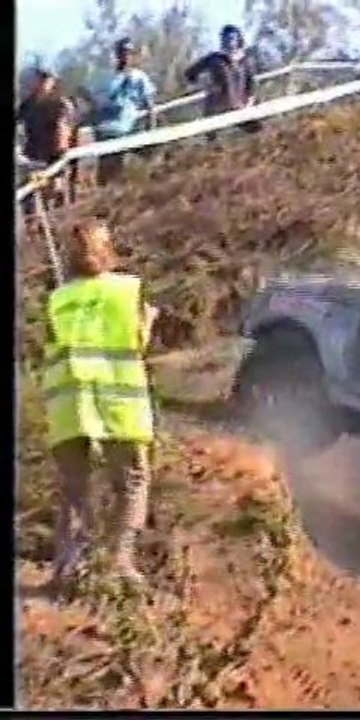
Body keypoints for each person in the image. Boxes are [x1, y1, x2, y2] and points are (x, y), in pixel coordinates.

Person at [43, 220, 159, 587]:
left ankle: (68, 567)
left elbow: (49, 347)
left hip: (68, 406)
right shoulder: (129, 290)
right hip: (118, 402)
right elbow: (137, 342)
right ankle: (119, 565)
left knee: (74, 488)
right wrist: (151, 322)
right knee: (131, 482)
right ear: (109, 250)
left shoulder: (57, 298)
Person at [89, 37, 158, 185]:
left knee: (143, 164)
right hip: (108, 130)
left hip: (130, 129)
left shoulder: (139, 77)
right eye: (122, 53)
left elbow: (150, 105)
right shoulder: (106, 78)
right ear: (117, 54)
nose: (125, 56)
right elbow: (95, 104)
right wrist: (96, 126)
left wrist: (151, 129)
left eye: (129, 53)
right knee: (108, 172)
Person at [16, 64, 78, 211]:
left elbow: (67, 130)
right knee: (29, 198)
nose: (44, 82)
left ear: (53, 81)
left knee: (55, 194)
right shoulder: (26, 105)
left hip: (53, 158)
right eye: (41, 78)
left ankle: (58, 223)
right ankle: (34, 227)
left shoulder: (61, 104)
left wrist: (62, 154)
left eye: (47, 78)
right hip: (31, 158)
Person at [184, 24, 260, 140]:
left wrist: (249, 103)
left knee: (254, 134)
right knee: (214, 142)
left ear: (238, 39)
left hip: (240, 106)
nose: (229, 41)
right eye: (225, 38)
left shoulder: (245, 60)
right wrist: (201, 86)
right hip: (216, 107)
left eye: (232, 38)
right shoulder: (214, 59)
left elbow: (252, 84)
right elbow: (190, 73)